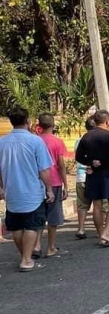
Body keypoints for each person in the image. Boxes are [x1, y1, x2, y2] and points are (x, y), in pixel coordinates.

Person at [0, 106, 54, 271]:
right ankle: (26, 259)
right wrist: (49, 189)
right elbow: (44, 170)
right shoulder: (35, 141)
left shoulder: (2, 142)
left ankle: (24, 255)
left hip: (11, 190)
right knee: (32, 225)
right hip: (32, 190)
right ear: (28, 121)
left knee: (16, 226)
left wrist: (1, 187)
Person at [75, 110, 109, 247]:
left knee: (97, 204)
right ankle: (106, 232)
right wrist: (102, 163)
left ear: (95, 121)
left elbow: (78, 156)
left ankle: (101, 234)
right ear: (107, 122)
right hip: (107, 172)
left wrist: (91, 162)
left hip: (93, 174)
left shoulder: (86, 136)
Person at [37, 112, 68, 257]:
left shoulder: (35, 140)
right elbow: (61, 165)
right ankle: (51, 247)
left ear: (39, 125)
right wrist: (65, 185)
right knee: (53, 217)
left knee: (38, 215)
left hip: (37, 182)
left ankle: (36, 246)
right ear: (53, 125)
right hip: (54, 182)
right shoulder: (57, 142)